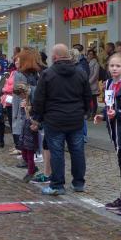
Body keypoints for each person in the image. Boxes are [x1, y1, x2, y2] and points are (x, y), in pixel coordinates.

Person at [31, 44, 90, 195]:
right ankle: (78, 183)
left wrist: (37, 118)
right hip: (76, 119)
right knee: (77, 151)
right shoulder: (80, 73)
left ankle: (57, 185)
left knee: (57, 152)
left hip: (54, 119)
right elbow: (87, 96)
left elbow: (39, 99)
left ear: (54, 56)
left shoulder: (47, 74)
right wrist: (84, 112)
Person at [94, 53, 121, 215]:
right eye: (112, 66)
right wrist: (103, 115)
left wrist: (117, 114)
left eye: (118, 66)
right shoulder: (109, 84)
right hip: (115, 131)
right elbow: (109, 106)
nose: (114, 69)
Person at [10, 49, 42, 175]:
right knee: (30, 138)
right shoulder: (34, 73)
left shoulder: (20, 74)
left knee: (25, 138)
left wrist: (16, 113)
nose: (16, 61)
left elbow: (19, 94)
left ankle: (28, 163)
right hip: (31, 108)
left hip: (25, 109)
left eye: (18, 59)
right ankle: (29, 161)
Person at [86, 49, 100, 118]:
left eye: (91, 54)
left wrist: (89, 82)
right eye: (88, 54)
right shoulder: (86, 62)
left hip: (93, 84)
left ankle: (93, 113)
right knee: (88, 99)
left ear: (94, 55)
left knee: (94, 100)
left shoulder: (96, 63)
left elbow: (95, 75)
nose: (89, 55)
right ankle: (89, 113)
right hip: (87, 84)